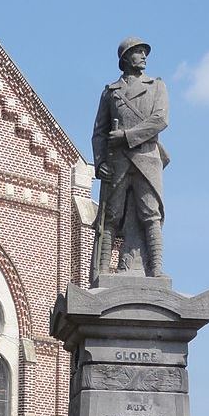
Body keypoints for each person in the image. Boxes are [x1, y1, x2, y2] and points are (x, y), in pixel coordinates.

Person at [91, 37, 169, 280]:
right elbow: (99, 132)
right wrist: (100, 162)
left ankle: (155, 270)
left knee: (150, 212)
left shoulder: (156, 86)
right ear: (125, 58)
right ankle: (102, 270)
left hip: (146, 157)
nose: (144, 56)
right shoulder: (110, 92)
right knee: (111, 216)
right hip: (118, 161)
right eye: (138, 52)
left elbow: (159, 120)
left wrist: (126, 136)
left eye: (145, 52)